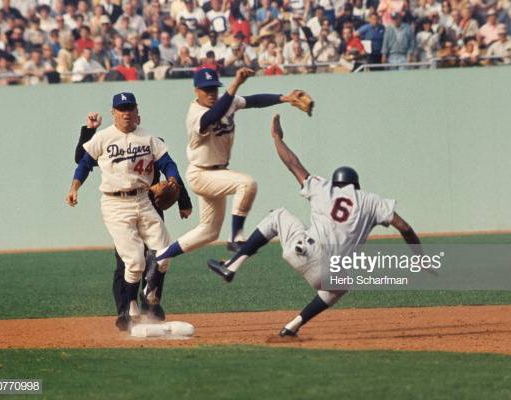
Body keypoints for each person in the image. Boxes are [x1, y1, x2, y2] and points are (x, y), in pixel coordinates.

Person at [206, 115, 422, 337]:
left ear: (336, 182)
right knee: (342, 283)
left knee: (278, 215)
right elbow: (404, 227)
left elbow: (292, 163)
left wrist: (277, 138)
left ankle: (232, 265)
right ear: (356, 185)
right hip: (329, 272)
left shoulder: (323, 187)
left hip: (304, 252)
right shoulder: (371, 200)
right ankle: (293, 326)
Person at [150, 68, 310, 290]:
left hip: (217, 173)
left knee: (208, 231)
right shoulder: (195, 114)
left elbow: (253, 100)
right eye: (206, 89)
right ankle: (236, 236)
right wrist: (235, 83)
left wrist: (284, 98)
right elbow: (212, 116)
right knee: (247, 183)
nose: (211, 93)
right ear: (196, 90)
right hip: (201, 173)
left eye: (214, 88)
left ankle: (160, 255)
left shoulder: (229, 102)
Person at [66, 92, 191, 330]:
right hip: (116, 204)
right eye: (121, 109)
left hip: (145, 200)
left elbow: (169, 164)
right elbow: (82, 162)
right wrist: (74, 188)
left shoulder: (149, 138)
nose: (126, 112)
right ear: (113, 113)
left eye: (130, 108)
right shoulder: (103, 138)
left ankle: (151, 297)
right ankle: (129, 306)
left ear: (137, 112)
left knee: (164, 252)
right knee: (132, 261)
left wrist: (174, 181)